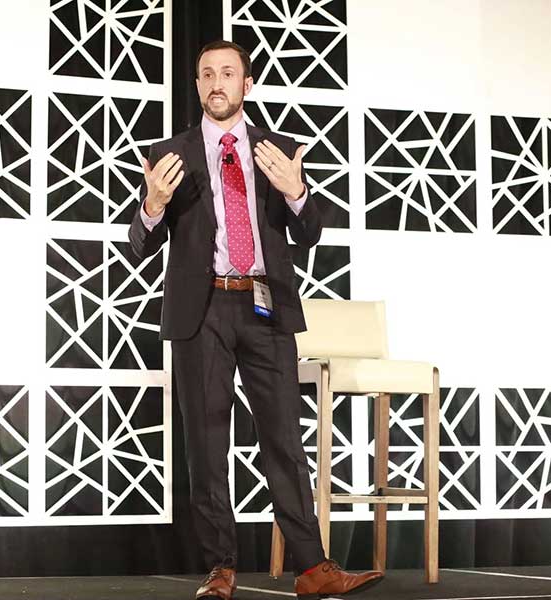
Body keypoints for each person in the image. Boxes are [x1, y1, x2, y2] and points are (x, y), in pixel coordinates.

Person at [129, 40, 384, 600]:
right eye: (205, 75)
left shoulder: (279, 150)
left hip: (266, 301)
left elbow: (310, 234)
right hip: (203, 308)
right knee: (207, 442)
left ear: (247, 84)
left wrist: (296, 194)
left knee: (283, 442)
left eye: (227, 73)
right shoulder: (169, 154)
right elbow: (138, 245)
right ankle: (220, 568)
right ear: (196, 87)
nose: (216, 83)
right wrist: (151, 205)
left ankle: (313, 569)